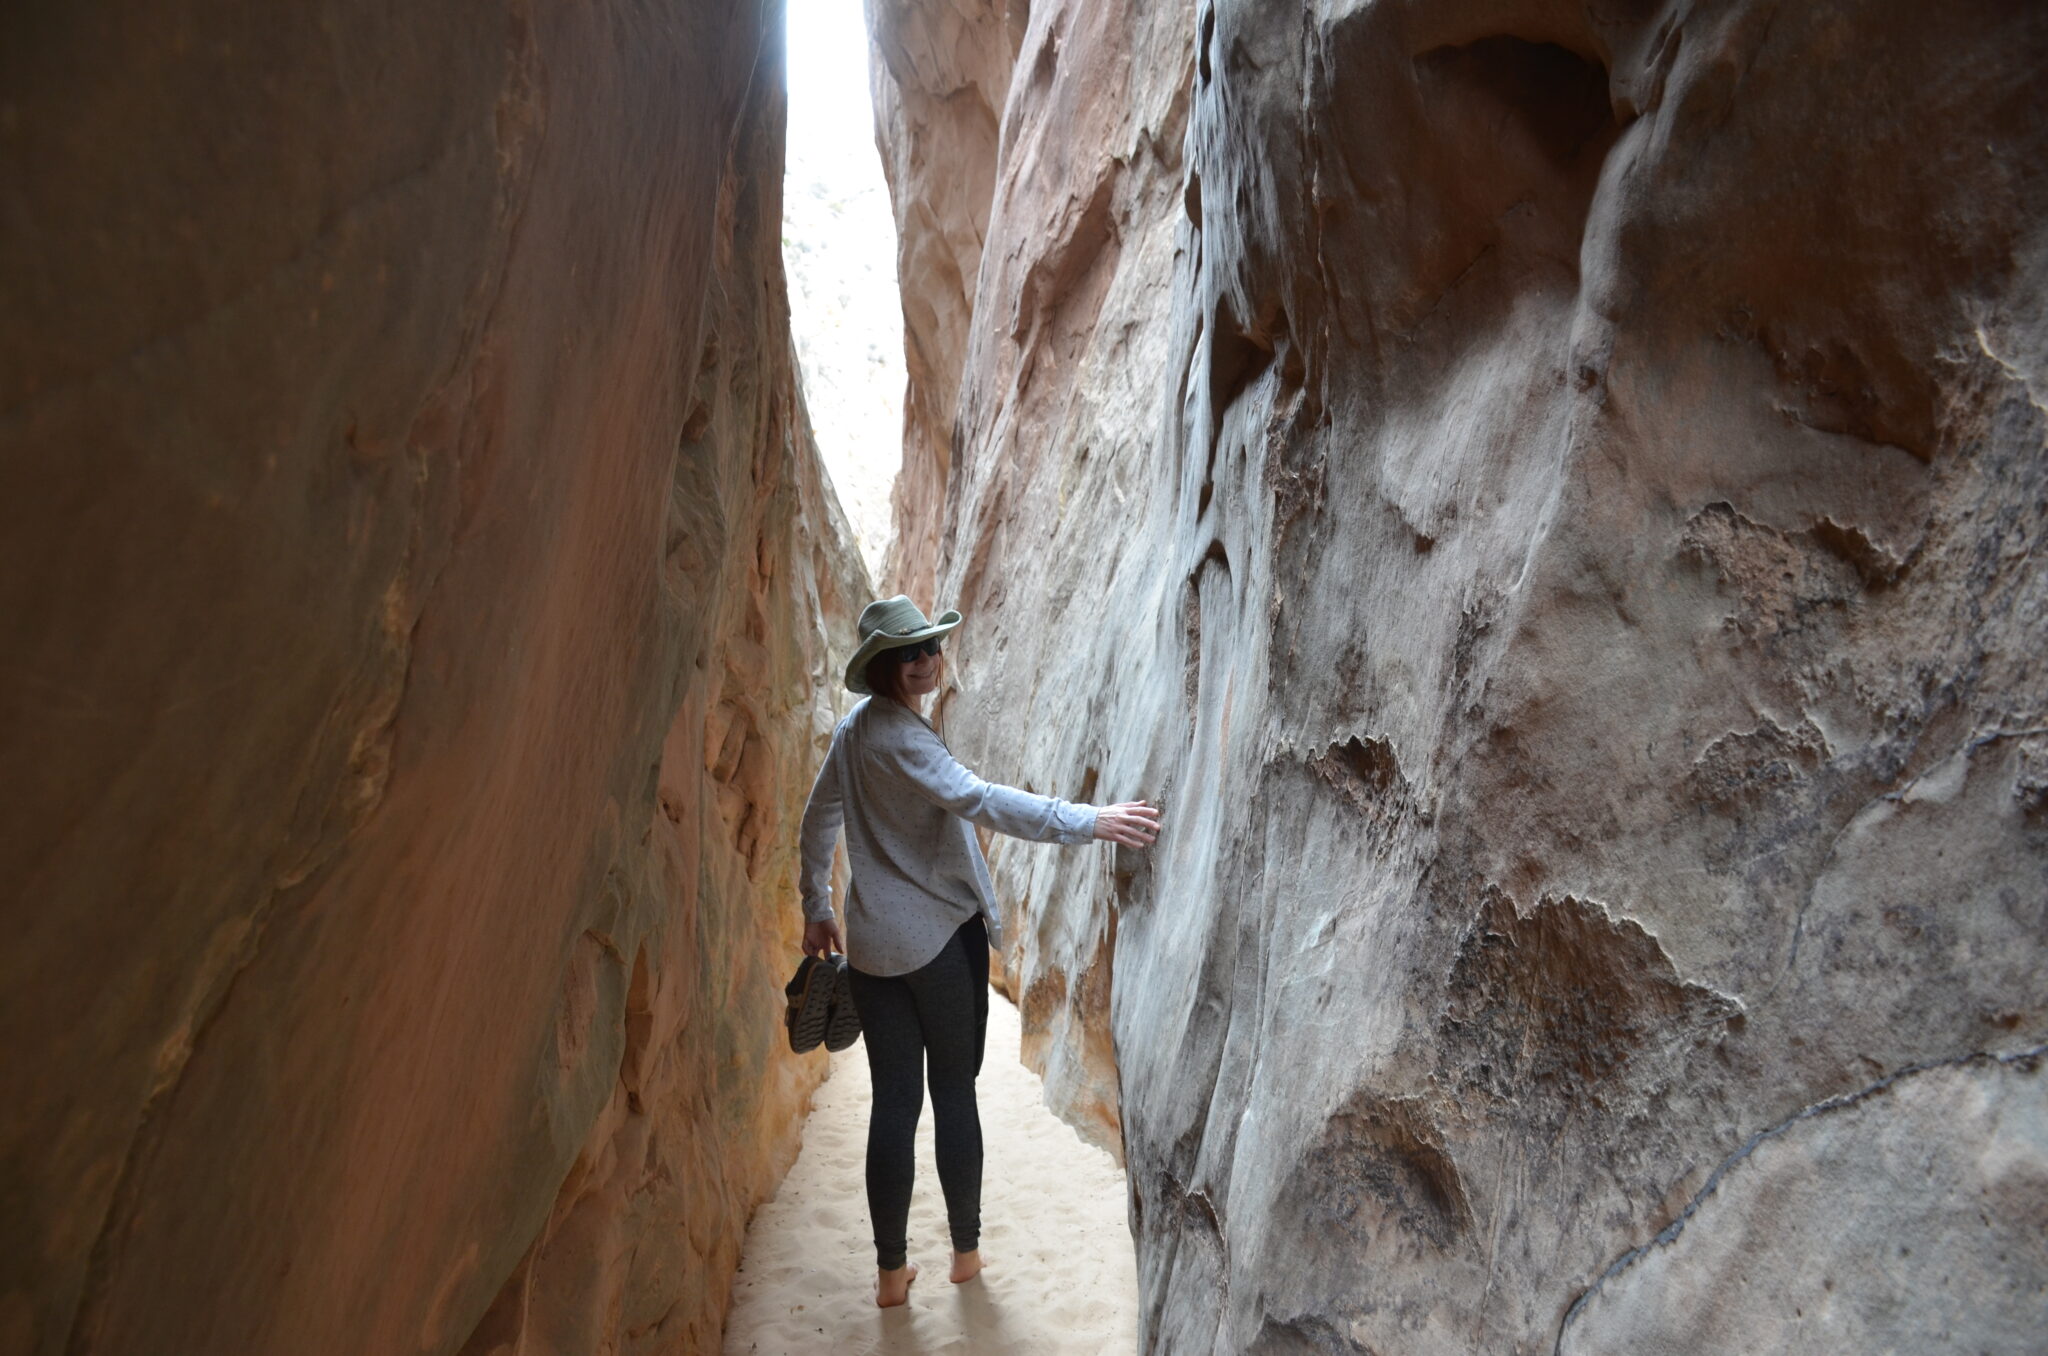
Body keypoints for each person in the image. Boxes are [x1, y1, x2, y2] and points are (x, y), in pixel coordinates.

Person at [798, 595, 1161, 1308]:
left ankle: (891, 1276)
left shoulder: (852, 731)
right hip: (939, 944)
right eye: (909, 653)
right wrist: (1091, 821)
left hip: (872, 953)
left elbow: (818, 822)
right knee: (952, 1094)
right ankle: (965, 1255)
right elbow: (984, 801)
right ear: (883, 666)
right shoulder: (902, 740)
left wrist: (817, 907)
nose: (926, 660)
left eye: (930, 646)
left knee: (893, 1105)